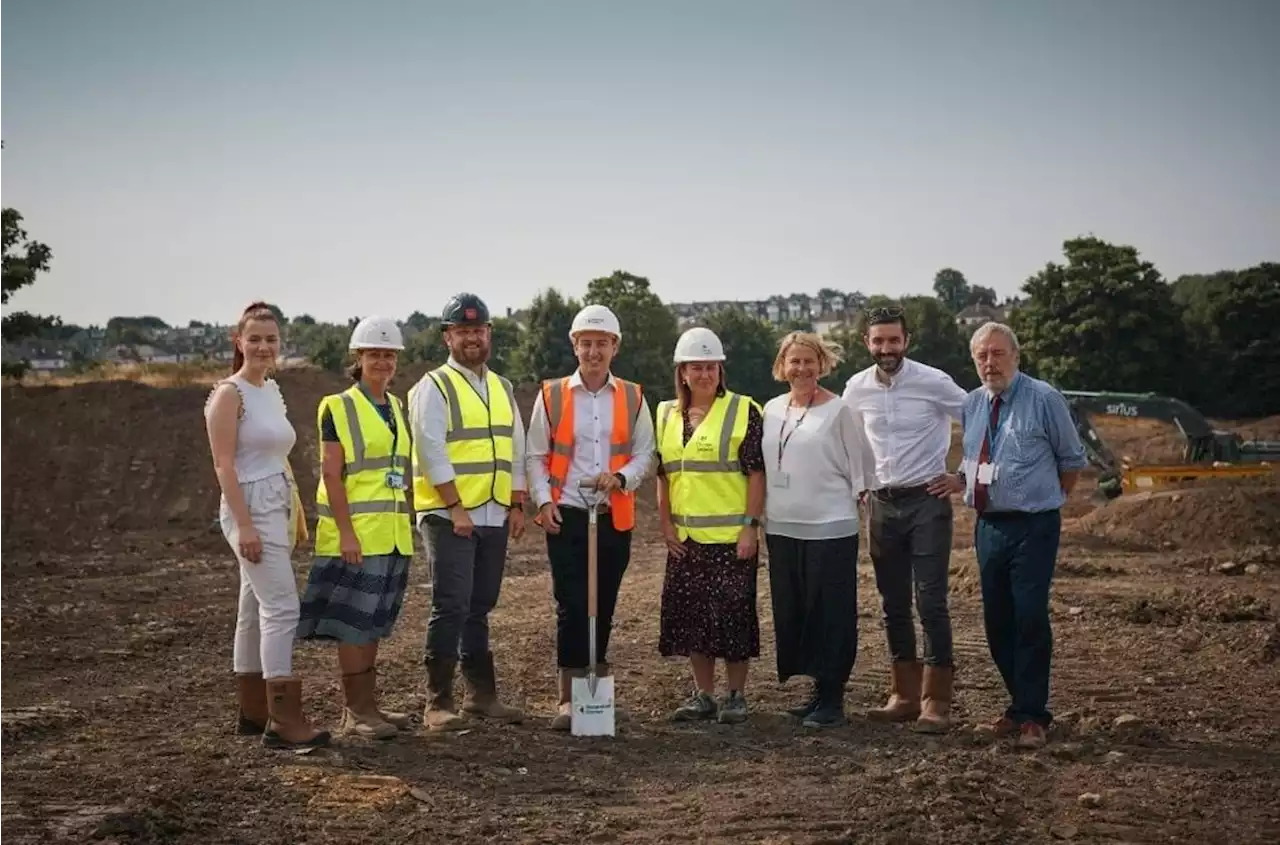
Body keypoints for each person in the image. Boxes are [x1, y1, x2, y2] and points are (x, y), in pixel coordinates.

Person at [953, 321, 1087, 749]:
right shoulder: (972, 403)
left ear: (1016, 356)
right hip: (989, 525)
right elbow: (975, 458)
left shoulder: (1044, 398)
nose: (990, 363)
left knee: (1029, 613)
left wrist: (1047, 499)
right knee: (997, 619)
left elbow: (1071, 460)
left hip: (1034, 524)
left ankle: (1033, 713)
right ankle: (1018, 703)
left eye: (997, 353)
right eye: (982, 356)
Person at [204, 301, 329, 750]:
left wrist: (290, 512)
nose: (263, 346)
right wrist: (246, 527)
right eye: (254, 338)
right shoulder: (228, 395)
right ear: (238, 342)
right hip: (249, 506)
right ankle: (283, 719)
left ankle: (254, 712)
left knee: (253, 609)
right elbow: (223, 466)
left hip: (276, 501)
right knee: (282, 608)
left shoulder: (270, 391)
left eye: (270, 339)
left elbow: (277, 457)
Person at [526, 304, 655, 731]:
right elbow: (536, 455)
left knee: (604, 604)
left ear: (614, 347)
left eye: (602, 343)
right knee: (572, 604)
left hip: (613, 513)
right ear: (575, 346)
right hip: (568, 512)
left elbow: (644, 454)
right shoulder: (553, 395)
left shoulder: (633, 397)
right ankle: (568, 698)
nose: (593, 351)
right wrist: (544, 502)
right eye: (586, 343)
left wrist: (620, 477)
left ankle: (595, 691)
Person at [841, 305, 967, 733]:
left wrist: (962, 476)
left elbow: (981, 419)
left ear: (906, 341)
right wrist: (859, 483)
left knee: (930, 600)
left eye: (893, 340)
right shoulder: (856, 388)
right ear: (867, 343)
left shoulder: (934, 381)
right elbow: (849, 438)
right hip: (881, 505)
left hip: (927, 502)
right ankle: (904, 695)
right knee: (892, 602)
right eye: (878, 341)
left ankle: (937, 700)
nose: (886, 348)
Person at [408, 293, 528, 731]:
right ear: (447, 337)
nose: (472, 338)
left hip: (494, 512)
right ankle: (437, 701)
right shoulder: (433, 387)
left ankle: (481, 695)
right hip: (449, 515)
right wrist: (455, 507)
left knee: (481, 604)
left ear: (489, 333)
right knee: (451, 604)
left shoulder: (501, 387)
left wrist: (516, 503)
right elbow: (431, 449)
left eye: (478, 330)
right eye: (463, 331)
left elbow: (515, 448)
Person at [296, 316, 416, 740]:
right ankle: (355, 712)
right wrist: (346, 533)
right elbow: (332, 474)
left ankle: (370, 706)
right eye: (374, 354)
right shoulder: (338, 407)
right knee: (353, 623)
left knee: (375, 621)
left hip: (392, 532)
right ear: (358, 358)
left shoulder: (396, 407)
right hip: (356, 534)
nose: (382, 362)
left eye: (389, 355)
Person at [655, 327, 766, 725]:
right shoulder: (666, 413)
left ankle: (736, 695)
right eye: (696, 367)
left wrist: (750, 526)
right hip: (686, 539)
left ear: (721, 370)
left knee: (734, 617)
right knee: (692, 620)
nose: (704, 374)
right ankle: (704, 695)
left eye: (711, 367)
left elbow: (756, 474)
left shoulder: (743, 410)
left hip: (731, 536)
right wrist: (665, 523)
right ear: (682, 372)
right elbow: (664, 474)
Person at [761, 332, 872, 728]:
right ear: (782, 366)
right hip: (783, 526)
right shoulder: (772, 410)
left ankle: (833, 698)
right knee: (798, 611)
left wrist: (862, 495)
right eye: (794, 361)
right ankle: (815, 689)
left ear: (821, 363)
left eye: (810, 361)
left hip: (830, 526)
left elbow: (861, 463)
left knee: (831, 612)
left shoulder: (839, 410)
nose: (802, 369)